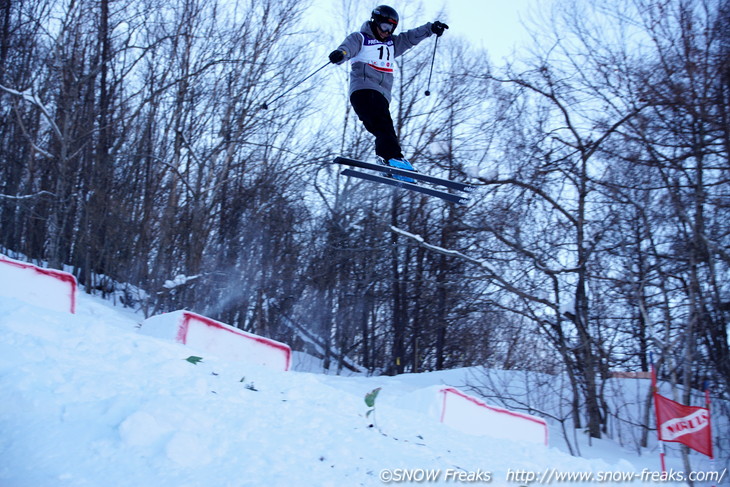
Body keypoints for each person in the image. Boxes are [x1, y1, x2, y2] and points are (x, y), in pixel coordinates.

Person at [329, 5, 448, 180]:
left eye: (392, 28)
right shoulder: (361, 38)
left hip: (381, 96)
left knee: (383, 127)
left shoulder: (392, 44)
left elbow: (410, 37)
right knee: (383, 124)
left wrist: (430, 29)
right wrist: (341, 54)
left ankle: (388, 162)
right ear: (375, 22)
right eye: (385, 26)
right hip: (364, 90)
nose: (387, 31)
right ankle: (392, 158)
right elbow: (348, 47)